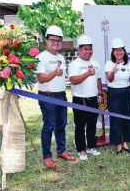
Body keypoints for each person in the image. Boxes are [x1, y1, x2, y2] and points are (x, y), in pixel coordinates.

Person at [36, 26, 76, 168]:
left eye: (59, 40)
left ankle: (61, 151)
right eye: (53, 40)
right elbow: (41, 78)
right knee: (49, 126)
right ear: (46, 40)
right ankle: (47, 156)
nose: (56, 43)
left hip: (61, 95)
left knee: (61, 124)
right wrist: (53, 73)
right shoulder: (41, 57)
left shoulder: (61, 57)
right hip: (47, 97)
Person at [69, 35, 102, 160]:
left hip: (93, 99)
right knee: (80, 126)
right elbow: (73, 80)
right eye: (85, 49)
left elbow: (98, 79)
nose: (88, 51)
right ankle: (81, 150)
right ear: (79, 50)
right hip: (79, 100)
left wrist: (99, 93)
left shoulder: (96, 63)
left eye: (90, 49)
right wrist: (87, 73)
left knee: (92, 124)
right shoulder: (74, 64)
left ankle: (92, 146)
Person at [105, 38, 130, 154]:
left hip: (127, 92)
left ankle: (125, 142)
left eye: (121, 50)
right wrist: (113, 71)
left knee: (127, 118)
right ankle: (118, 143)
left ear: (124, 51)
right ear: (113, 52)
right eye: (116, 50)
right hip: (114, 93)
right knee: (115, 119)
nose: (118, 52)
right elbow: (109, 79)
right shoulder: (109, 64)